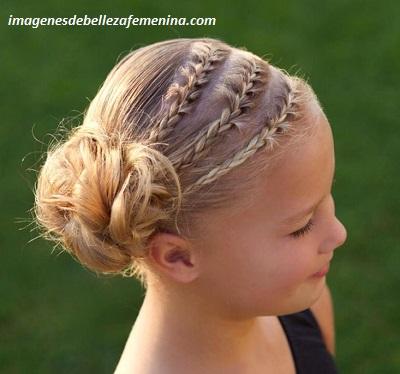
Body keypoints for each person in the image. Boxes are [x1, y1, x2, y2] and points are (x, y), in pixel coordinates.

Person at [34, 37, 347, 373]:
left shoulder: (300, 312)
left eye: (326, 199)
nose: (338, 234)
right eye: (301, 226)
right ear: (177, 256)